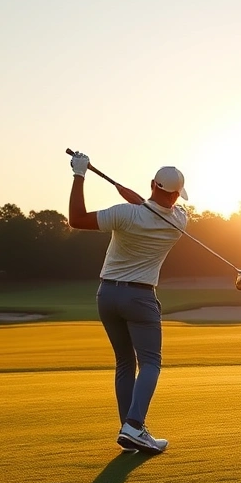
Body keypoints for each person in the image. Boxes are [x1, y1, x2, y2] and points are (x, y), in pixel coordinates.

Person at [67, 151, 188, 454]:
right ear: (176, 195)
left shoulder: (124, 214)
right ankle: (134, 426)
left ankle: (129, 430)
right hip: (141, 297)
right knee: (150, 363)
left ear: (152, 184)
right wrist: (141, 199)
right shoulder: (179, 222)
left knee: (124, 362)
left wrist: (79, 175)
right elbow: (151, 208)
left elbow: (76, 220)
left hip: (107, 295)